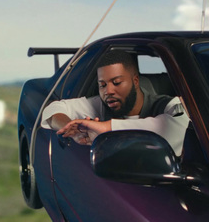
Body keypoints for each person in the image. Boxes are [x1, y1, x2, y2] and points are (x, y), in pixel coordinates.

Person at [41, 50, 190, 156]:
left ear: (135, 81)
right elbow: (52, 110)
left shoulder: (167, 105)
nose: (108, 91)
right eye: (102, 85)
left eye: (116, 82)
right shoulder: (99, 105)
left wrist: (105, 128)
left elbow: (178, 127)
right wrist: (70, 129)